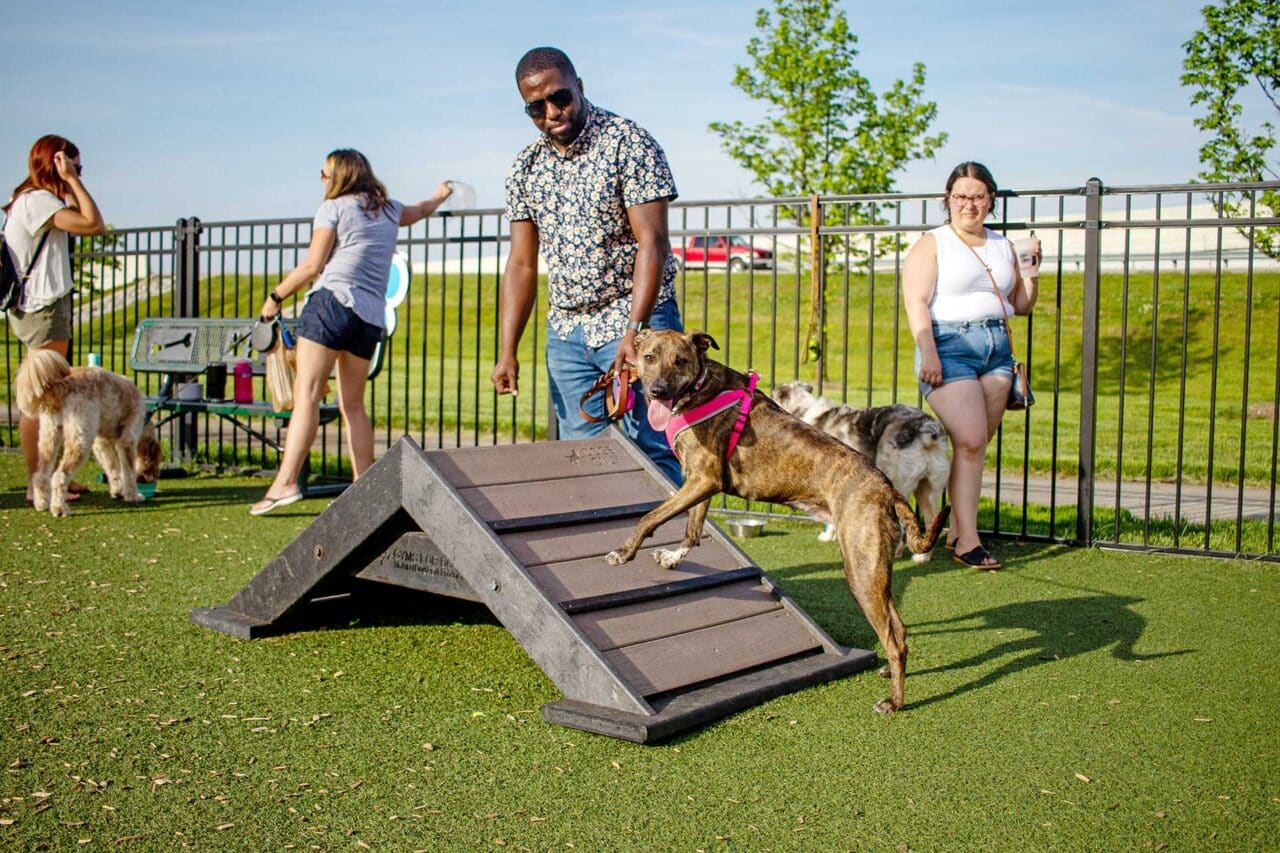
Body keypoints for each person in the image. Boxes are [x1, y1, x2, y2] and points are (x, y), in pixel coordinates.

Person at [491, 46, 684, 483]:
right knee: (582, 460)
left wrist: (634, 332)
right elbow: (521, 265)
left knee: (654, 451)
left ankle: (674, 549)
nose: (551, 112)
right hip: (567, 333)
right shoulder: (526, 167)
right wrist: (507, 351)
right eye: (536, 107)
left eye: (559, 97)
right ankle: (607, 550)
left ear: (579, 87)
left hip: (633, 319)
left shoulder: (628, 142)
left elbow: (651, 243)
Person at [250, 149, 451, 515]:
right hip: (369, 318)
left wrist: (274, 297)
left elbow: (313, 265)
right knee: (353, 405)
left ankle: (285, 483)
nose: (322, 180)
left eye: (325, 173)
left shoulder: (333, 209)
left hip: (331, 304)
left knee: (307, 395)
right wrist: (439, 196)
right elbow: (420, 211)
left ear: (340, 176)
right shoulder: (390, 210)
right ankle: (366, 491)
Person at [902, 162, 1040, 570]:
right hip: (949, 345)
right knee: (971, 440)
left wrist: (1031, 274)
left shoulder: (1002, 245)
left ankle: (959, 532)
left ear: (990, 200)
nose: (969, 204)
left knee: (973, 448)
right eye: (960, 196)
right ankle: (969, 542)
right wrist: (928, 351)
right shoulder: (934, 242)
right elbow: (916, 301)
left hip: (996, 348)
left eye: (978, 196)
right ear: (948, 199)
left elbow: (1020, 306)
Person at [4, 135, 106, 505]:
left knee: (50, 399)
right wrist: (74, 181)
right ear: (57, 164)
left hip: (44, 308)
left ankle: (49, 477)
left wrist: (71, 179)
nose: (78, 174)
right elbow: (94, 223)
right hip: (43, 310)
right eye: (76, 166)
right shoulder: (37, 201)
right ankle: (38, 482)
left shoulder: (36, 202)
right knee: (41, 400)